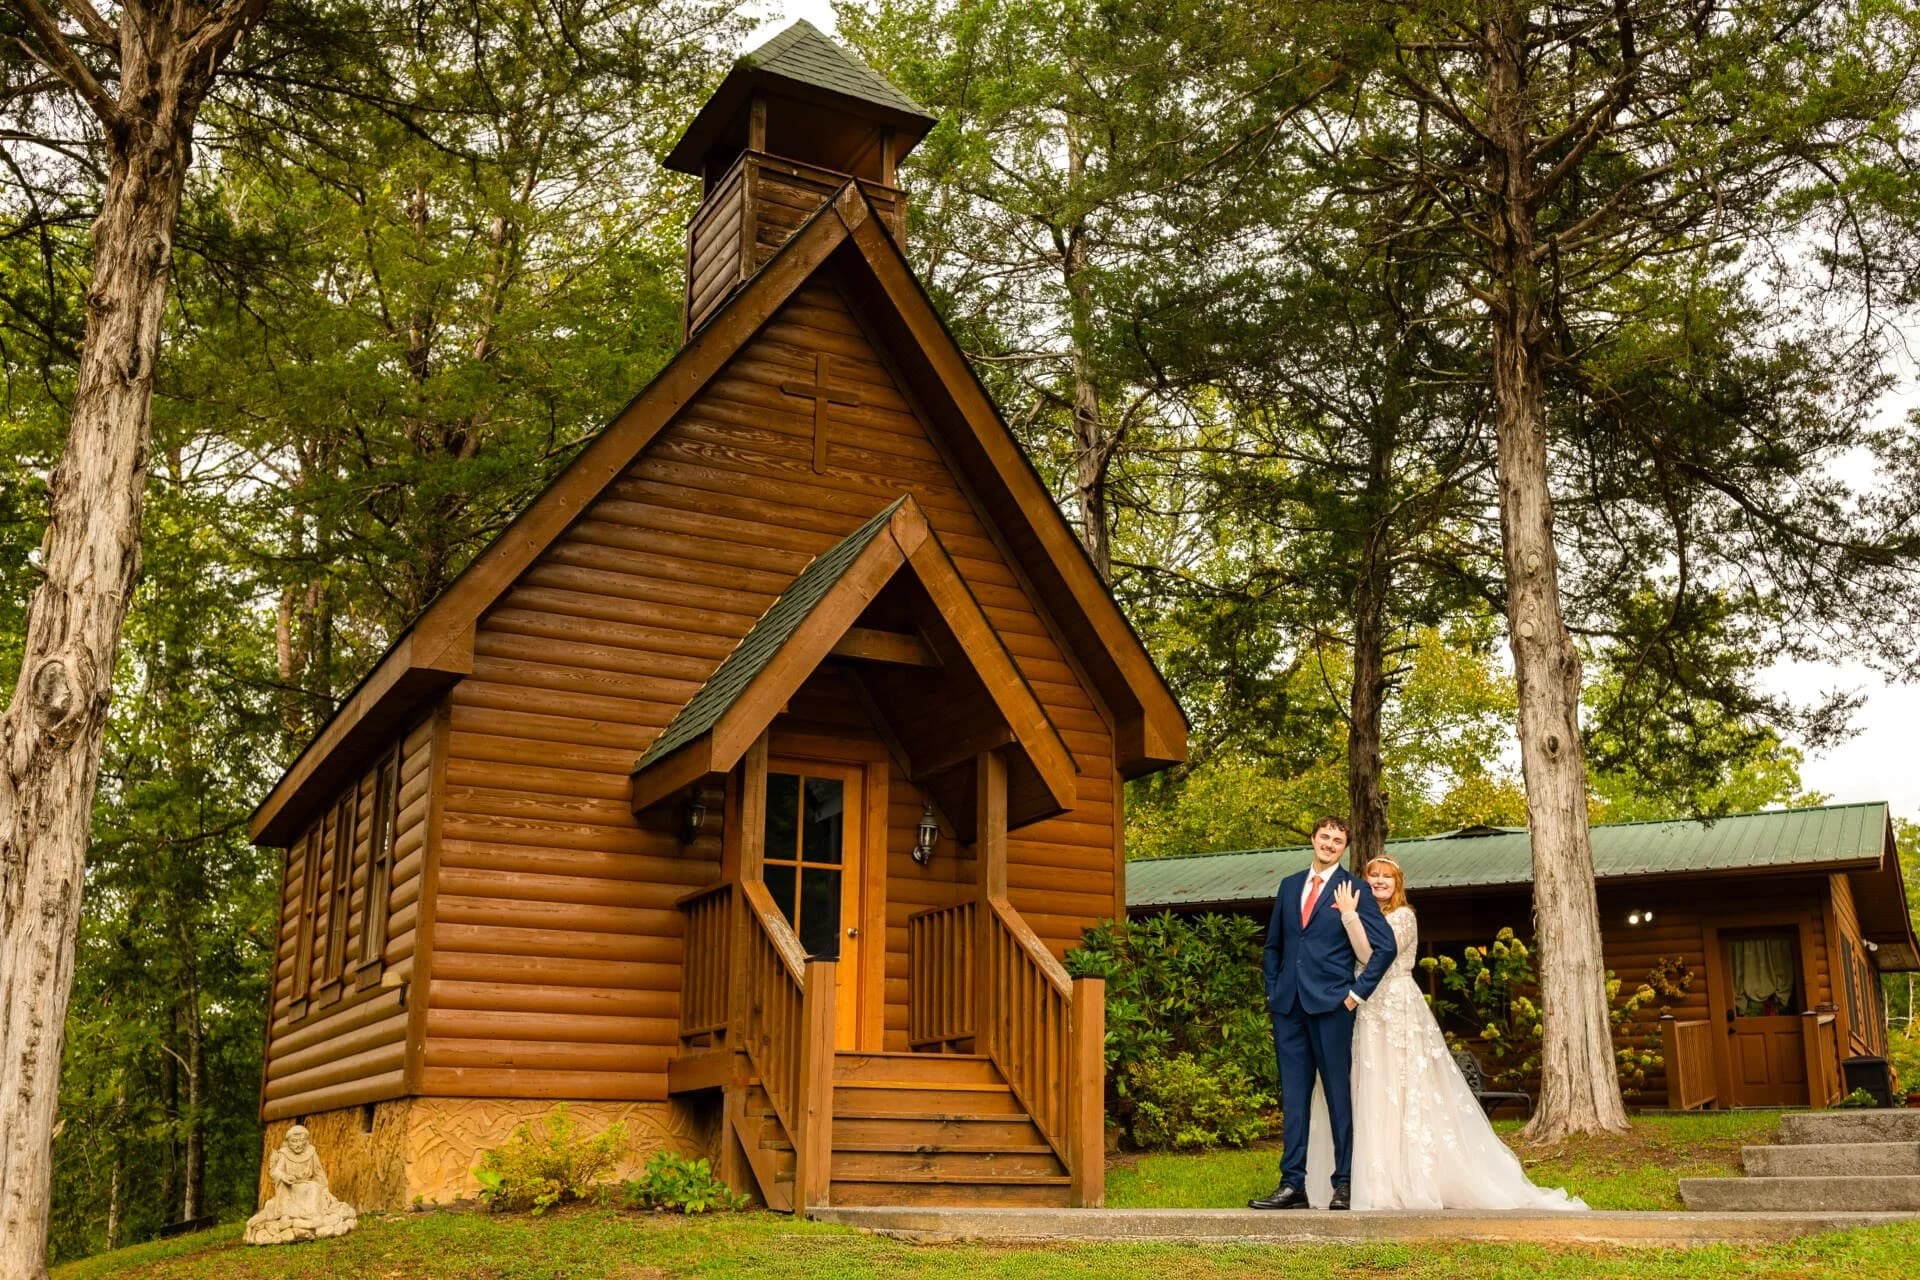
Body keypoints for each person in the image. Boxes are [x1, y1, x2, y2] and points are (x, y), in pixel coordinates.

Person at [1303, 855, 1588, 1211]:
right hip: (1365, 1009)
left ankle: (1412, 1175)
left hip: (1396, 1007)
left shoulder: (1403, 917)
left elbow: (1372, 954)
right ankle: (1363, 1175)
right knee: (1367, 1086)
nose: (1378, 882)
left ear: (1398, 883)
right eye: (1373, 876)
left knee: (1402, 1086)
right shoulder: (1365, 914)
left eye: (1386, 877)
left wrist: (1348, 914)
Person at [1249, 816, 1397, 1211]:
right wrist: (1274, 989)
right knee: (1294, 1098)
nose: (1330, 844)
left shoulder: (1356, 889)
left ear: (1344, 847)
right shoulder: (1289, 886)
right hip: (1288, 1008)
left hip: (1333, 1006)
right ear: (1313, 840)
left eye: (1338, 840)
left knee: (1337, 1096)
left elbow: (1386, 948)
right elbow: (1274, 946)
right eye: (1324, 837)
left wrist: (1355, 995)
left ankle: (1343, 1183)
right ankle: (1291, 1184)